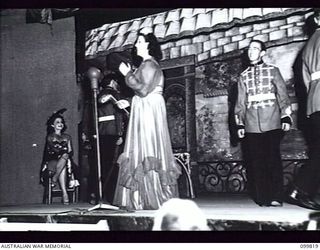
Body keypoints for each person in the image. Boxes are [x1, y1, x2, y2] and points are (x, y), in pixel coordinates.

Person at [113, 32, 182, 210]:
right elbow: (145, 91)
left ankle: (151, 196)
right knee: (143, 147)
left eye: (140, 41)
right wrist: (128, 101)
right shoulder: (145, 65)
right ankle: (144, 195)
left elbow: (143, 90)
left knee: (147, 147)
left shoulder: (149, 64)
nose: (136, 44)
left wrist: (126, 73)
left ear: (149, 45)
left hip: (148, 110)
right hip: (145, 108)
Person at [234, 39, 292, 207]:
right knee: (256, 162)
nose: (251, 51)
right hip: (251, 124)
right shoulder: (243, 76)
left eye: (255, 48)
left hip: (272, 122)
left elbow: (283, 96)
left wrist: (286, 117)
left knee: (272, 159)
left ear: (262, 53)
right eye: (249, 48)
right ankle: (262, 197)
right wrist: (239, 124)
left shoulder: (273, 71)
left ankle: (276, 196)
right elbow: (240, 103)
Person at [287, 9, 320, 210]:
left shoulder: (307, 46)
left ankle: (301, 189)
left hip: (314, 102)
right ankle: (299, 188)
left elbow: (306, 82)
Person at [82, 73, 128, 204]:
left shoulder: (94, 95)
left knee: (97, 165)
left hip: (97, 134)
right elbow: (120, 116)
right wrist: (121, 134)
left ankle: (94, 193)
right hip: (111, 134)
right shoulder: (115, 95)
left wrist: (86, 132)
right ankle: (107, 195)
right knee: (110, 166)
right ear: (113, 82)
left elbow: (87, 115)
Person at [40, 108, 74, 205]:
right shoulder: (50, 136)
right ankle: (65, 194)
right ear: (52, 125)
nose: (60, 123)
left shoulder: (67, 137)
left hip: (65, 160)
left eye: (61, 122)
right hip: (52, 160)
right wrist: (63, 152)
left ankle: (55, 180)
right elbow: (54, 150)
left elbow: (70, 151)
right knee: (63, 160)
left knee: (65, 158)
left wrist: (65, 153)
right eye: (57, 122)